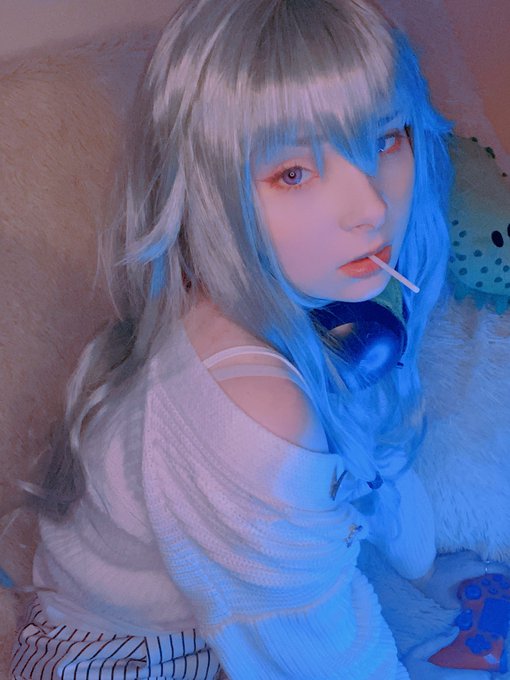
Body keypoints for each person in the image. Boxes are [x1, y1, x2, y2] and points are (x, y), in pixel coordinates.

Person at [9, 0, 475, 678]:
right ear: (208, 193)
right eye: (294, 173)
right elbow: (324, 658)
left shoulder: (316, 290)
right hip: (122, 657)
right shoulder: (257, 406)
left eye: (384, 139)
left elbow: (381, 469)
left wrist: (429, 575)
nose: (372, 208)